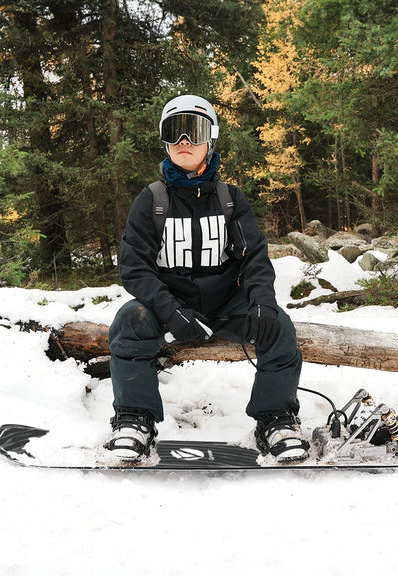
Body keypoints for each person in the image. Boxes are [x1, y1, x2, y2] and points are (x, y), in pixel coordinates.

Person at [105, 94, 308, 463]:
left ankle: (275, 418)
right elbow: (135, 267)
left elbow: (254, 258)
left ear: (210, 138)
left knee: (278, 324)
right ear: (164, 141)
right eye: (175, 133)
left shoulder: (230, 199)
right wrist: (170, 312)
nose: (184, 143)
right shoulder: (150, 200)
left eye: (194, 132)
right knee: (129, 320)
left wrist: (261, 299)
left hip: (225, 304)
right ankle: (135, 419)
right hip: (171, 305)